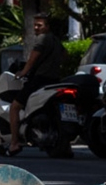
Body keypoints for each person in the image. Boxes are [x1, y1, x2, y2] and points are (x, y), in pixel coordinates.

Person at [8, 14, 65, 155]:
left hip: (39, 80)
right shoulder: (56, 41)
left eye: (39, 25)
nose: (36, 28)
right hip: (55, 81)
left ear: (47, 27)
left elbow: (33, 58)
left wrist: (23, 72)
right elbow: (65, 55)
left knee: (14, 107)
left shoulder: (42, 39)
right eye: (35, 25)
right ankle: (65, 146)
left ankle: (14, 143)